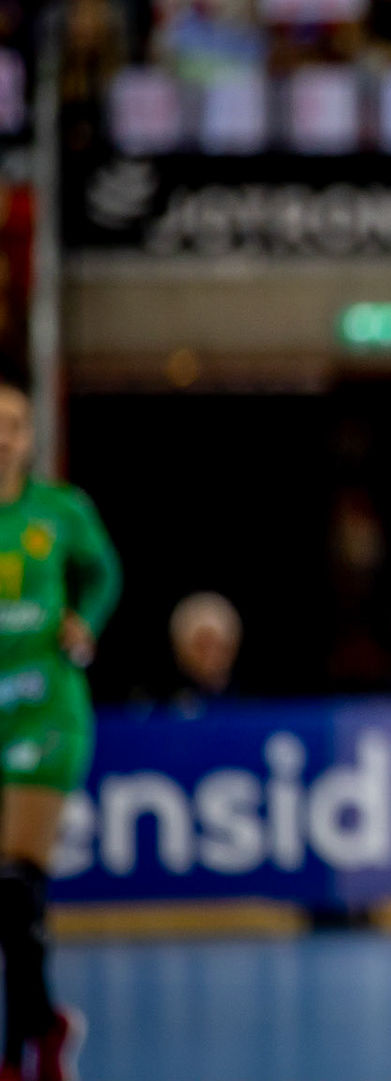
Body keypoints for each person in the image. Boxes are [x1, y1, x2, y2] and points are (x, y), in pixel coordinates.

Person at [0, 371, 120, 1081]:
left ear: (30, 438)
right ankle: (46, 1026)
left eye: (14, 424)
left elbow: (105, 573)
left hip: (45, 711)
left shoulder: (60, 511)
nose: (1, 437)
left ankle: (15, 1053)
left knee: (15, 884)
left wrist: (86, 622)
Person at [168, 591, 241, 698]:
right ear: (181, 651)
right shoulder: (162, 702)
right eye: (201, 646)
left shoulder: (250, 700)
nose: (210, 656)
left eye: (216, 646)